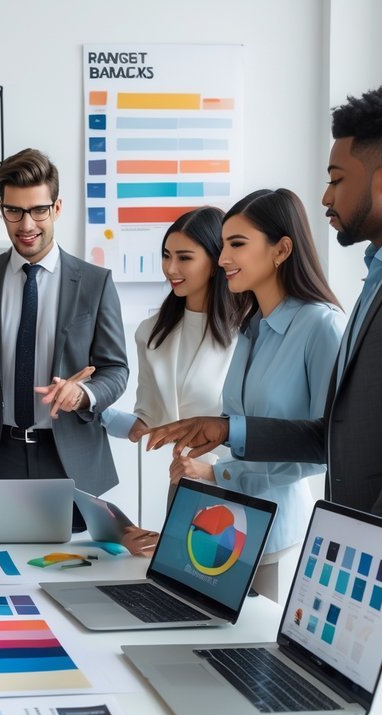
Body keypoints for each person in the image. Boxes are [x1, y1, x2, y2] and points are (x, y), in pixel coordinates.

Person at [147, 87, 382, 715]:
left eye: (337, 179)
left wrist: (361, 570)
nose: (324, 198)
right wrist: (226, 427)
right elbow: (339, 430)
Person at [0, 148, 128, 505]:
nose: (26, 225)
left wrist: (84, 395)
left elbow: (116, 370)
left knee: (75, 560)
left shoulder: (95, 283)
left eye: (39, 210)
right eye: (14, 211)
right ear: (1, 209)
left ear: (57, 208)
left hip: (71, 458)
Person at [168, 189, 344, 600]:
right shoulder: (251, 327)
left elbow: (325, 448)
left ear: (282, 250)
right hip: (233, 524)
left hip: (280, 535)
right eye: (224, 244)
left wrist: (219, 473)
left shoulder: (322, 327)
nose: (223, 257)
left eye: (238, 244)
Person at [98, 207, 243, 556]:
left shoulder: (249, 332)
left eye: (184, 257)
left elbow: (258, 428)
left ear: (216, 260)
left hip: (240, 494)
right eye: (166, 255)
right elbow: (150, 422)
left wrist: (211, 470)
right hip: (184, 491)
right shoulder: (151, 334)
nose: (171, 269)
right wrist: (90, 405)